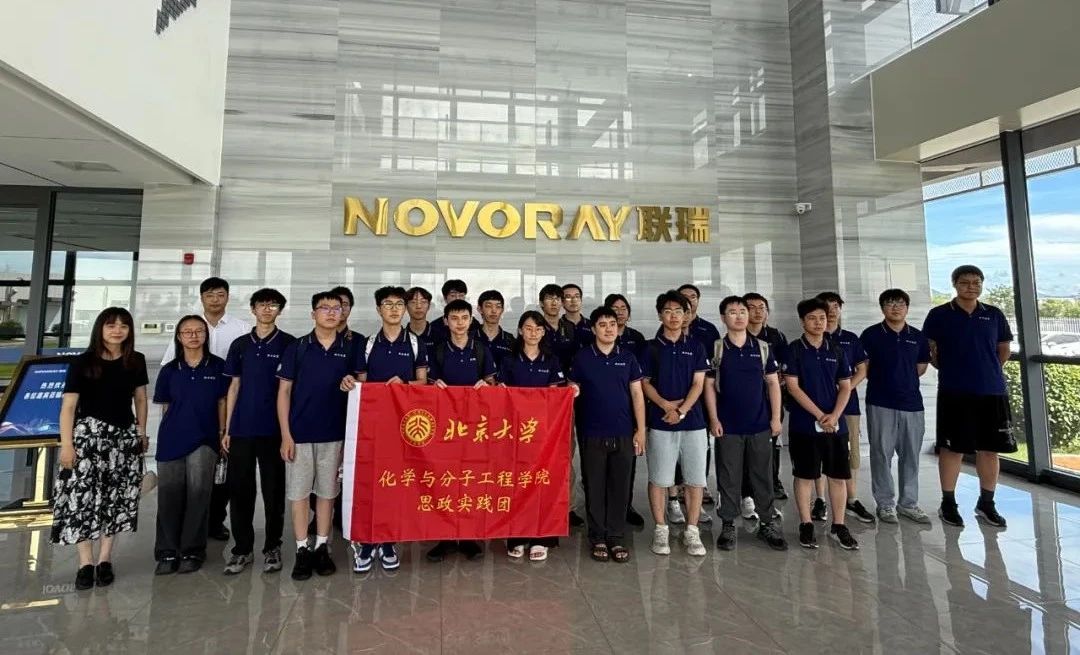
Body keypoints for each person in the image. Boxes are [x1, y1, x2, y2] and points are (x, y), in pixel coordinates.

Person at [53, 307, 149, 590]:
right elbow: (68, 407)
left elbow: (141, 399)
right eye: (111, 325)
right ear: (100, 329)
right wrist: (67, 444)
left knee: (115, 497)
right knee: (81, 498)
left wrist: (141, 432)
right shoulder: (82, 362)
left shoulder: (136, 360)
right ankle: (85, 562)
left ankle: (105, 559)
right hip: (88, 439)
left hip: (123, 439)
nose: (117, 330)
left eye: (123, 326)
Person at [341, 286, 429, 573]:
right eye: (388, 304)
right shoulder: (367, 344)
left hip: (404, 428)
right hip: (372, 428)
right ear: (379, 309)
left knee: (396, 485)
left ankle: (389, 541)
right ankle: (367, 541)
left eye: (398, 304)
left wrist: (404, 385)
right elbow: (361, 385)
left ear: (405, 309)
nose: (394, 309)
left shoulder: (414, 342)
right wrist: (351, 384)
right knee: (370, 484)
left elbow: (423, 382)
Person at [922, 265, 1013, 528]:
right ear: (954, 284)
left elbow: (1003, 350)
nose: (971, 287)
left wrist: (986, 370)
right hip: (955, 391)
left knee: (990, 448)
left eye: (976, 282)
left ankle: (987, 503)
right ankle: (948, 503)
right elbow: (932, 351)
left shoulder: (993, 314)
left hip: (992, 390)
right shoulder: (939, 314)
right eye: (965, 282)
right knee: (953, 448)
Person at [161, 277, 251, 542]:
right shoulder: (189, 326)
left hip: (227, 406)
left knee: (222, 471)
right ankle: (183, 530)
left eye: (220, 294)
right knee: (186, 477)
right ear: (201, 298)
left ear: (227, 297)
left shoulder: (241, 328)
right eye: (209, 295)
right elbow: (170, 369)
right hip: (191, 409)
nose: (215, 299)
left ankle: (214, 521)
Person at [277, 292, 355, 580]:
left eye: (337, 308)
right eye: (325, 308)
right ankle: (302, 549)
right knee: (299, 494)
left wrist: (351, 383)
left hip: (334, 435)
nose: (332, 312)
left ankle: (322, 545)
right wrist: (286, 435)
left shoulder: (349, 349)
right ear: (313, 314)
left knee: (327, 493)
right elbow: (284, 392)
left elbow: (360, 386)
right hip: (300, 435)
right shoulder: (297, 348)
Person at [703, 296, 787, 551]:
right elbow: (709, 386)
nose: (739, 316)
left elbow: (773, 383)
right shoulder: (717, 349)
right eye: (732, 312)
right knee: (728, 476)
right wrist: (714, 419)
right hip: (728, 426)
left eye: (743, 311)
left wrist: (775, 418)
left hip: (759, 424)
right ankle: (728, 523)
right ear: (723, 318)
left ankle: (766, 522)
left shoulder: (761, 348)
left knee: (763, 475)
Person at [221, 288, 295, 575]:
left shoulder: (289, 344)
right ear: (253, 309)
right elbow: (234, 386)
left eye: (273, 305)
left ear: (280, 310)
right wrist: (227, 428)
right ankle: (242, 549)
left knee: (274, 491)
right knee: (240, 490)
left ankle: (272, 547)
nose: (267, 309)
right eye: (262, 304)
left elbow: (290, 390)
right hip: (241, 429)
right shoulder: (240, 344)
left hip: (274, 430)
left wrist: (289, 432)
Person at [568, 306, 646, 563]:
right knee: (595, 486)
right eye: (602, 324)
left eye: (612, 324)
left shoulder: (628, 357)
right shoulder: (582, 357)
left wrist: (641, 429)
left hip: (623, 432)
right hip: (592, 433)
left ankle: (616, 536)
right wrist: (572, 388)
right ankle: (597, 537)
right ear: (593, 329)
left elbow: (637, 394)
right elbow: (572, 387)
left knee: (619, 486)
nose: (609, 329)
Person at [153, 315, 229, 574]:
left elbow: (222, 402)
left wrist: (222, 433)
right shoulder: (170, 370)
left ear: (206, 335)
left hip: (205, 439)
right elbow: (165, 406)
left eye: (199, 331)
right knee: (169, 495)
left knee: (199, 495)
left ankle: (192, 551)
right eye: (188, 332)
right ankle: (167, 552)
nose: (194, 336)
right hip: (172, 439)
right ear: (179, 337)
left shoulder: (217, 366)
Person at [782, 298, 858, 550]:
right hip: (804, 425)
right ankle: (806, 523)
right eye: (812, 318)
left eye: (822, 318)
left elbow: (845, 386)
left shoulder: (836, 350)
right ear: (802, 321)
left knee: (837, 475)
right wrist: (819, 415)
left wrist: (834, 416)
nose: (818, 323)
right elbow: (793, 387)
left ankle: (839, 525)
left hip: (836, 425)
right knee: (805, 475)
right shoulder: (794, 350)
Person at [425, 299, 497, 563]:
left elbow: (493, 385)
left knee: (470, 481)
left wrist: (487, 387)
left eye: (464, 318)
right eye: (454, 318)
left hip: (475, 429)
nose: (459, 323)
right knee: (444, 481)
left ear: (471, 320)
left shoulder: (481, 350)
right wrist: (434, 389)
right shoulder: (437, 351)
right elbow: (426, 388)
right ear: (446, 321)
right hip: (444, 428)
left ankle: (468, 536)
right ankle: (444, 537)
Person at [642, 291, 710, 557]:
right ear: (660, 315)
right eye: (668, 311)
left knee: (695, 479)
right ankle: (661, 528)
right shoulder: (650, 347)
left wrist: (681, 410)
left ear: (687, 315)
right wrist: (665, 406)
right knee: (659, 479)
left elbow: (698, 384)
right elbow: (645, 383)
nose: (673, 316)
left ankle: (692, 530)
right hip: (660, 422)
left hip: (693, 423)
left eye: (679, 311)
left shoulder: (696, 346)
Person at [860, 289, 932, 524]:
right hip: (880, 402)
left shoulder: (917, 336)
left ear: (907, 308)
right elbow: (864, 367)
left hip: (912, 404)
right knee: (881, 454)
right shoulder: (871, 335)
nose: (896, 308)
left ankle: (908, 503)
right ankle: (885, 504)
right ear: (882, 308)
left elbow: (921, 367)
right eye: (890, 304)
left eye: (901, 304)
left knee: (911, 455)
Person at [499, 311, 565, 561]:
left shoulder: (552, 360)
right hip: (515, 433)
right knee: (517, 484)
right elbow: (502, 396)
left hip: (544, 433)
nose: (533, 333)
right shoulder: (509, 361)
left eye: (538, 329)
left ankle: (541, 537)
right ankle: (517, 535)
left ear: (543, 332)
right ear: (519, 331)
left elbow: (555, 397)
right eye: (528, 328)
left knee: (542, 482)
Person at [815, 292, 874, 525]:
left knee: (851, 453)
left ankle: (852, 499)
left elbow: (862, 370)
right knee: (818, 453)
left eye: (835, 306)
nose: (831, 311)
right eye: (826, 307)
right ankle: (820, 499)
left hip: (848, 406)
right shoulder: (812, 338)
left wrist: (845, 389)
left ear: (840, 309)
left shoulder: (850, 339)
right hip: (819, 408)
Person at [539, 282, 585, 527]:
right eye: (550, 298)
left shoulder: (572, 328)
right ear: (542, 303)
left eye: (559, 298)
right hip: (543, 401)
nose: (555, 302)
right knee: (540, 454)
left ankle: (568, 507)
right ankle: (539, 503)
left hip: (568, 399)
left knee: (566, 454)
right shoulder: (535, 326)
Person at [604, 293, 647, 527]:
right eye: (615, 308)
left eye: (623, 308)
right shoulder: (599, 337)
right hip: (602, 407)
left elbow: (640, 378)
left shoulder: (636, 338)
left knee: (627, 459)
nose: (619, 312)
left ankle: (625, 505)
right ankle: (602, 505)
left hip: (629, 407)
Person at [676, 284, 720, 509]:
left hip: (703, 394)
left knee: (702, 443)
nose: (689, 300)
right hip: (676, 396)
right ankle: (679, 485)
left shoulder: (709, 330)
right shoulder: (669, 326)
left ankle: (700, 484)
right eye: (684, 297)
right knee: (677, 443)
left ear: (698, 300)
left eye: (693, 297)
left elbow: (715, 365)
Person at [744, 292, 789, 501]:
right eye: (751, 307)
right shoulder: (737, 335)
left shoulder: (776, 336)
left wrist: (780, 378)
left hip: (772, 397)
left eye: (761, 307)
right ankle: (747, 487)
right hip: (747, 398)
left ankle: (773, 480)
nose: (757, 311)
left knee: (772, 440)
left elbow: (786, 366)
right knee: (746, 442)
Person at [474, 289, 515, 367]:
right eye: (488, 306)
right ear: (480, 309)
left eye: (498, 306)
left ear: (502, 310)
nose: (494, 310)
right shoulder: (470, 337)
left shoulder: (510, 341)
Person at [406, 286, 439, 351]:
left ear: (429, 306)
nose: (418, 306)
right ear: (406, 306)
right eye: (413, 302)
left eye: (423, 302)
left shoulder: (439, 336)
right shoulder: (400, 337)